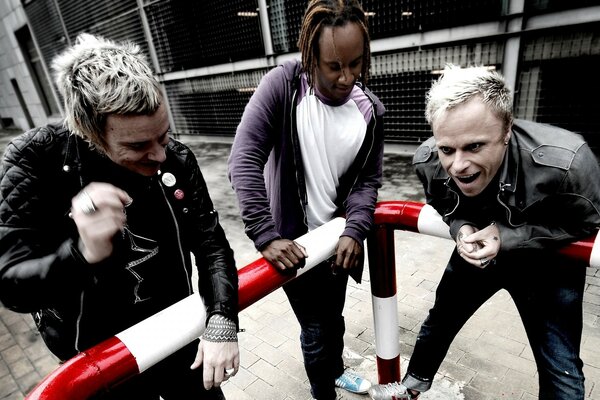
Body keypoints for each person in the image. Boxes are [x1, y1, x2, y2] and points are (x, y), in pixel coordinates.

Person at [0, 33, 240, 399]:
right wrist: (81, 254)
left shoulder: (175, 158)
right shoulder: (35, 159)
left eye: (164, 135)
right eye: (138, 145)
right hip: (98, 357)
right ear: (89, 131)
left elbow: (210, 243)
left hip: (177, 335)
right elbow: (11, 284)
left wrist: (222, 318)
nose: (160, 154)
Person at [368, 64, 600, 400]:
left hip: (549, 265)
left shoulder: (568, 163)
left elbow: (586, 222)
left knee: (560, 364)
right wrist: (461, 229)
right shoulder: (428, 161)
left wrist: (506, 236)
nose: (458, 164)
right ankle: (410, 389)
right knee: (440, 321)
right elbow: (445, 206)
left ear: (507, 129)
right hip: (476, 254)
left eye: (475, 146)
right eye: (448, 148)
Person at [227, 0, 385, 398]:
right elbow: (243, 159)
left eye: (356, 63)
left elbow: (368, 181)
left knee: (334, 319)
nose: (347, 77)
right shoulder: (282, 86)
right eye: (334, 66)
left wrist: (355, 228)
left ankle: (336, 370)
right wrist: (265, 234)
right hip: (293, 245)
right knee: (316, 329)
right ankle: (324, 392)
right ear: (310, 57)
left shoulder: (370, 111)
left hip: (336, 244)